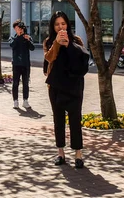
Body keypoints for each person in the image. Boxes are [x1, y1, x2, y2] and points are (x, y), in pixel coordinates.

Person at [43, 11, 89, 169]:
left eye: (63, 24)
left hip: (74, 86)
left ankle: (78, 154)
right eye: (57, 24)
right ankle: (60, 153)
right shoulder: (49, 41)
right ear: (53, 26)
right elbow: (49, 58)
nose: (60, 27)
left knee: (75, 120)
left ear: (68, 24)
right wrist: (56, 43)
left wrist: (68, 44)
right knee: (58, 120)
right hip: (56, 86)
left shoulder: (76, 40)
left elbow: (80, 60)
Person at [10, 20, 35, 109]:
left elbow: (32, 48)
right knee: (15, 83)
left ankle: (25, 100)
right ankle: (15, 101)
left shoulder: (27, 37)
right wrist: (19, 37)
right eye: (16, 28)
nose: (18, 30)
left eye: (20, 28)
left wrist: (28, 40)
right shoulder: (13, 37)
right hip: (16, 64)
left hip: (25, 64)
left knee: (26, 83)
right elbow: (12, 45)